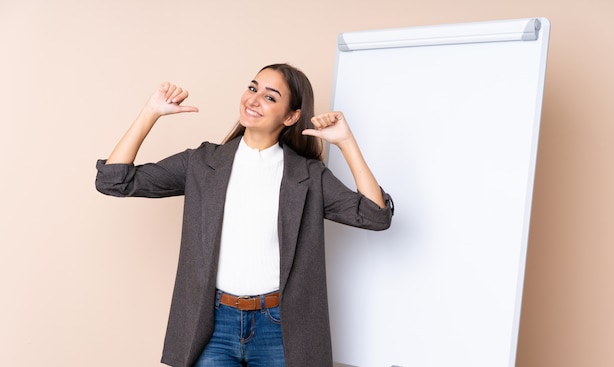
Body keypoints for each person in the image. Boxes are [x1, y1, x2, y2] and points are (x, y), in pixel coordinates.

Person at [95, 63, 394, 367]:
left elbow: (375, 216)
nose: (253, 99)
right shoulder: (202, 164)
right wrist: (151, 112)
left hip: (280, 327)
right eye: (253, 88)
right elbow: (114, 180)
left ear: (291, 116)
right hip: (212, 324)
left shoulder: (306, 176)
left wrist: (346, 142)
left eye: (270, 97)